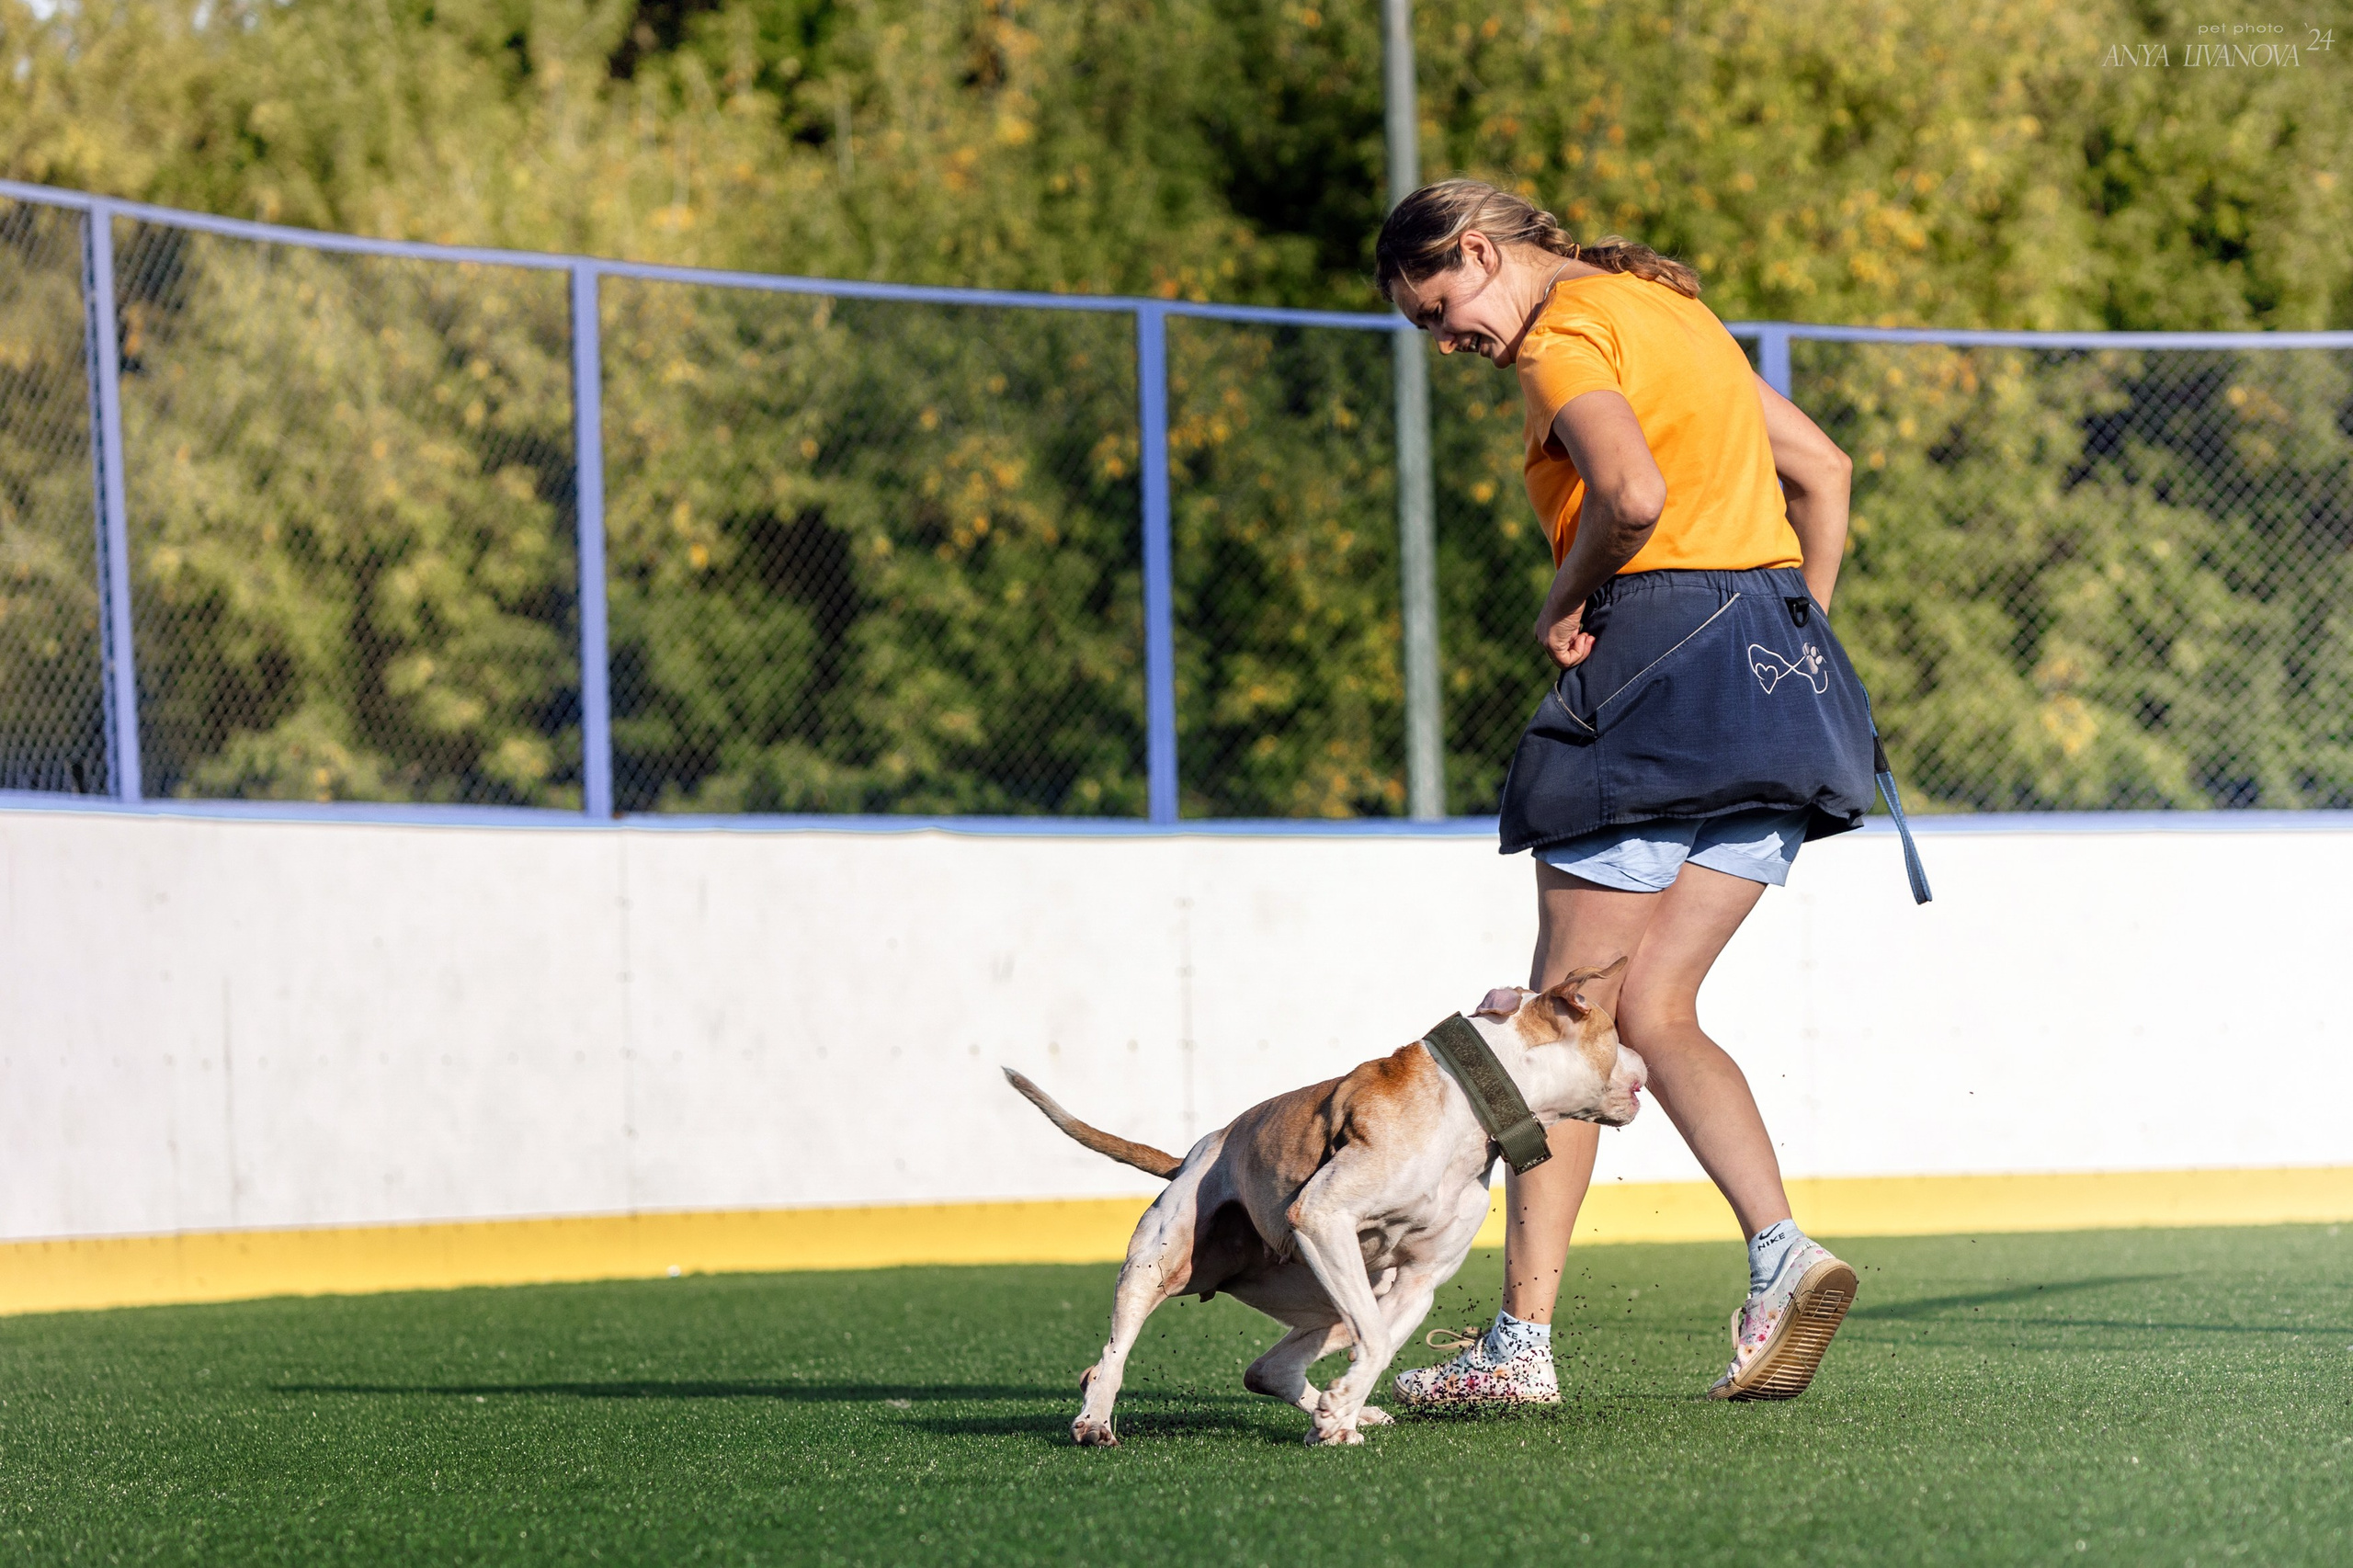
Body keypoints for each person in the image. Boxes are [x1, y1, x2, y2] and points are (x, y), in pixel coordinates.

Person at [1377, 178, 1880, 1404]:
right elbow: (1822, 468)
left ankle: (1520, 1346)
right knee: (1655, 1009)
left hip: (1653, 667)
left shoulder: (1563, 335)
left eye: (1442, 309)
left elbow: (1635, 495)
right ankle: (1780, 1258)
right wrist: (1788, 629)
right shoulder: (1672, 311)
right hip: (1784, 681)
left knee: (1563, 1021)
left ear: (1485, 253)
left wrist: (1562, 599)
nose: (1451, 344)